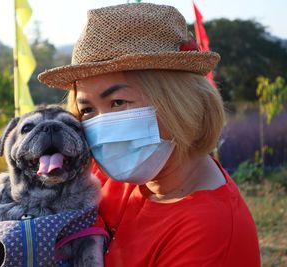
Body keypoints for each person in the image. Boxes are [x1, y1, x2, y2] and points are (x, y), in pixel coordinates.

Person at [38, 3, 261, 267]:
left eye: (118, 102)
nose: (100, 125)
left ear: (179, 102)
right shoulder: (106, 177)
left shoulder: (209, 230)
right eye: (87, 109)